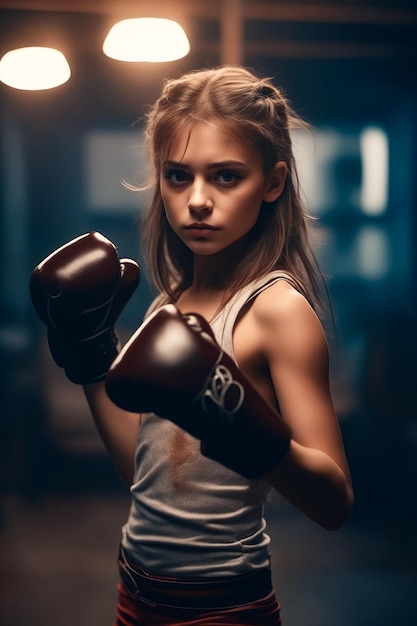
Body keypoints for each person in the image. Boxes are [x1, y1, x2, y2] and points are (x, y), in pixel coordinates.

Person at [30, 65, 354, 626]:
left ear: (273, 182)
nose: (197, 200)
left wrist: (239, 423)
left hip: (224, 605)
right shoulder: (169, 304)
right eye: (178, 176)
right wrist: (89, 356)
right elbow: (141, 473)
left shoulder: (276, 309)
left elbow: (334, 502)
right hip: (135, 593)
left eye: (226, 177)